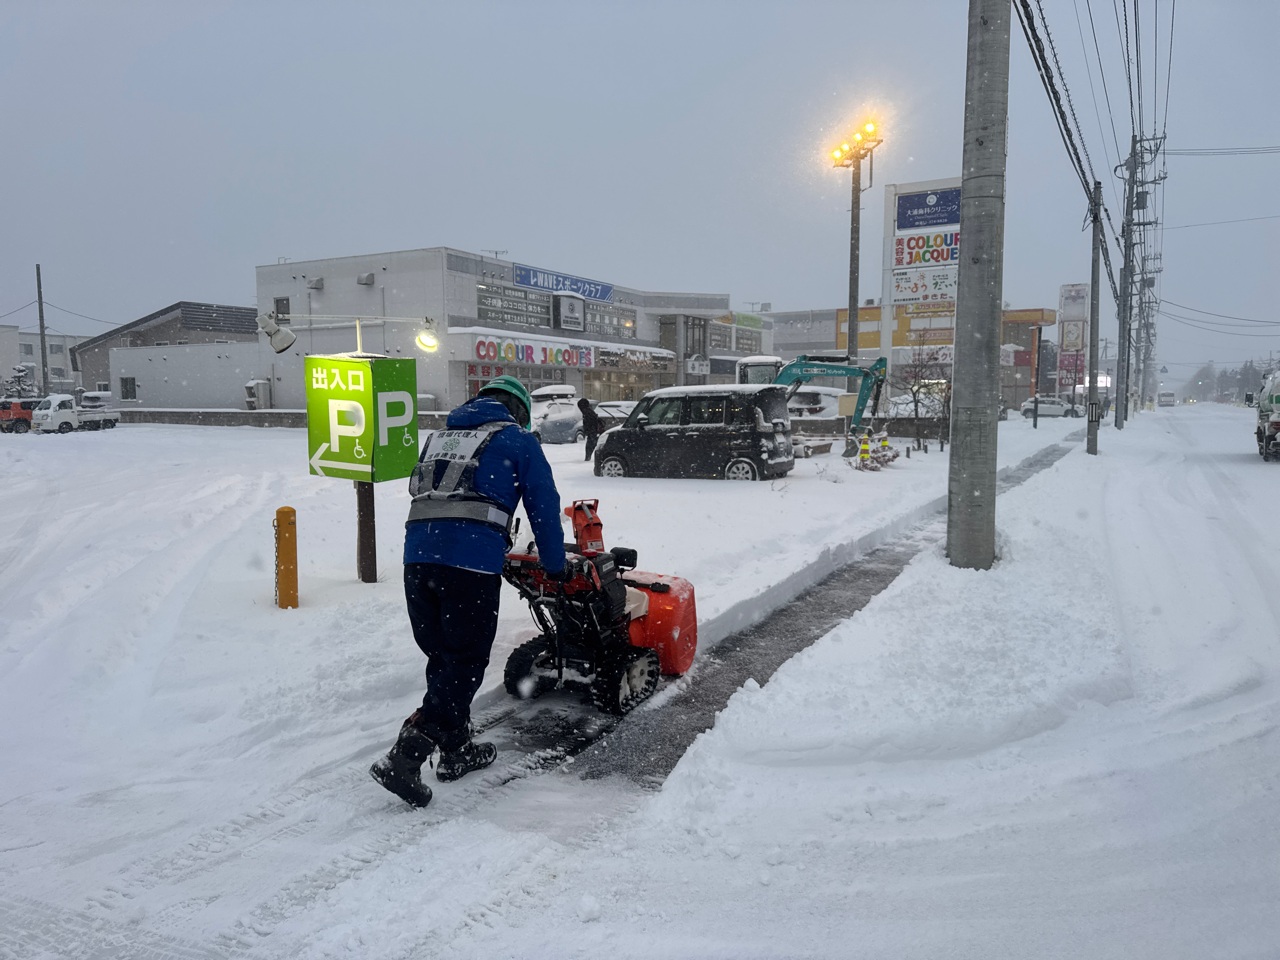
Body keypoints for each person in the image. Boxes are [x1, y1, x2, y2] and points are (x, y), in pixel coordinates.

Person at [371, 375, 567, 808]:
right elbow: (543, 505)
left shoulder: (440, 437)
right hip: (469, 563)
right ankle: (407, 754)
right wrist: (555, 566)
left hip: (416, 559)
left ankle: (456, 750)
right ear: (518, 410)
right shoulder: (518, 440)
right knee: (465, 660)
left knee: (443, 657)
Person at [578, 397, 603, 461]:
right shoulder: (589, 411)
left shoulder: (587, 412)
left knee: (591, 445)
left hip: (593, 431)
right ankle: (589, 457)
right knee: (592, 444)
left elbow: (590, 423)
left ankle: (588, 458)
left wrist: (589, 431)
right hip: (593, 431)